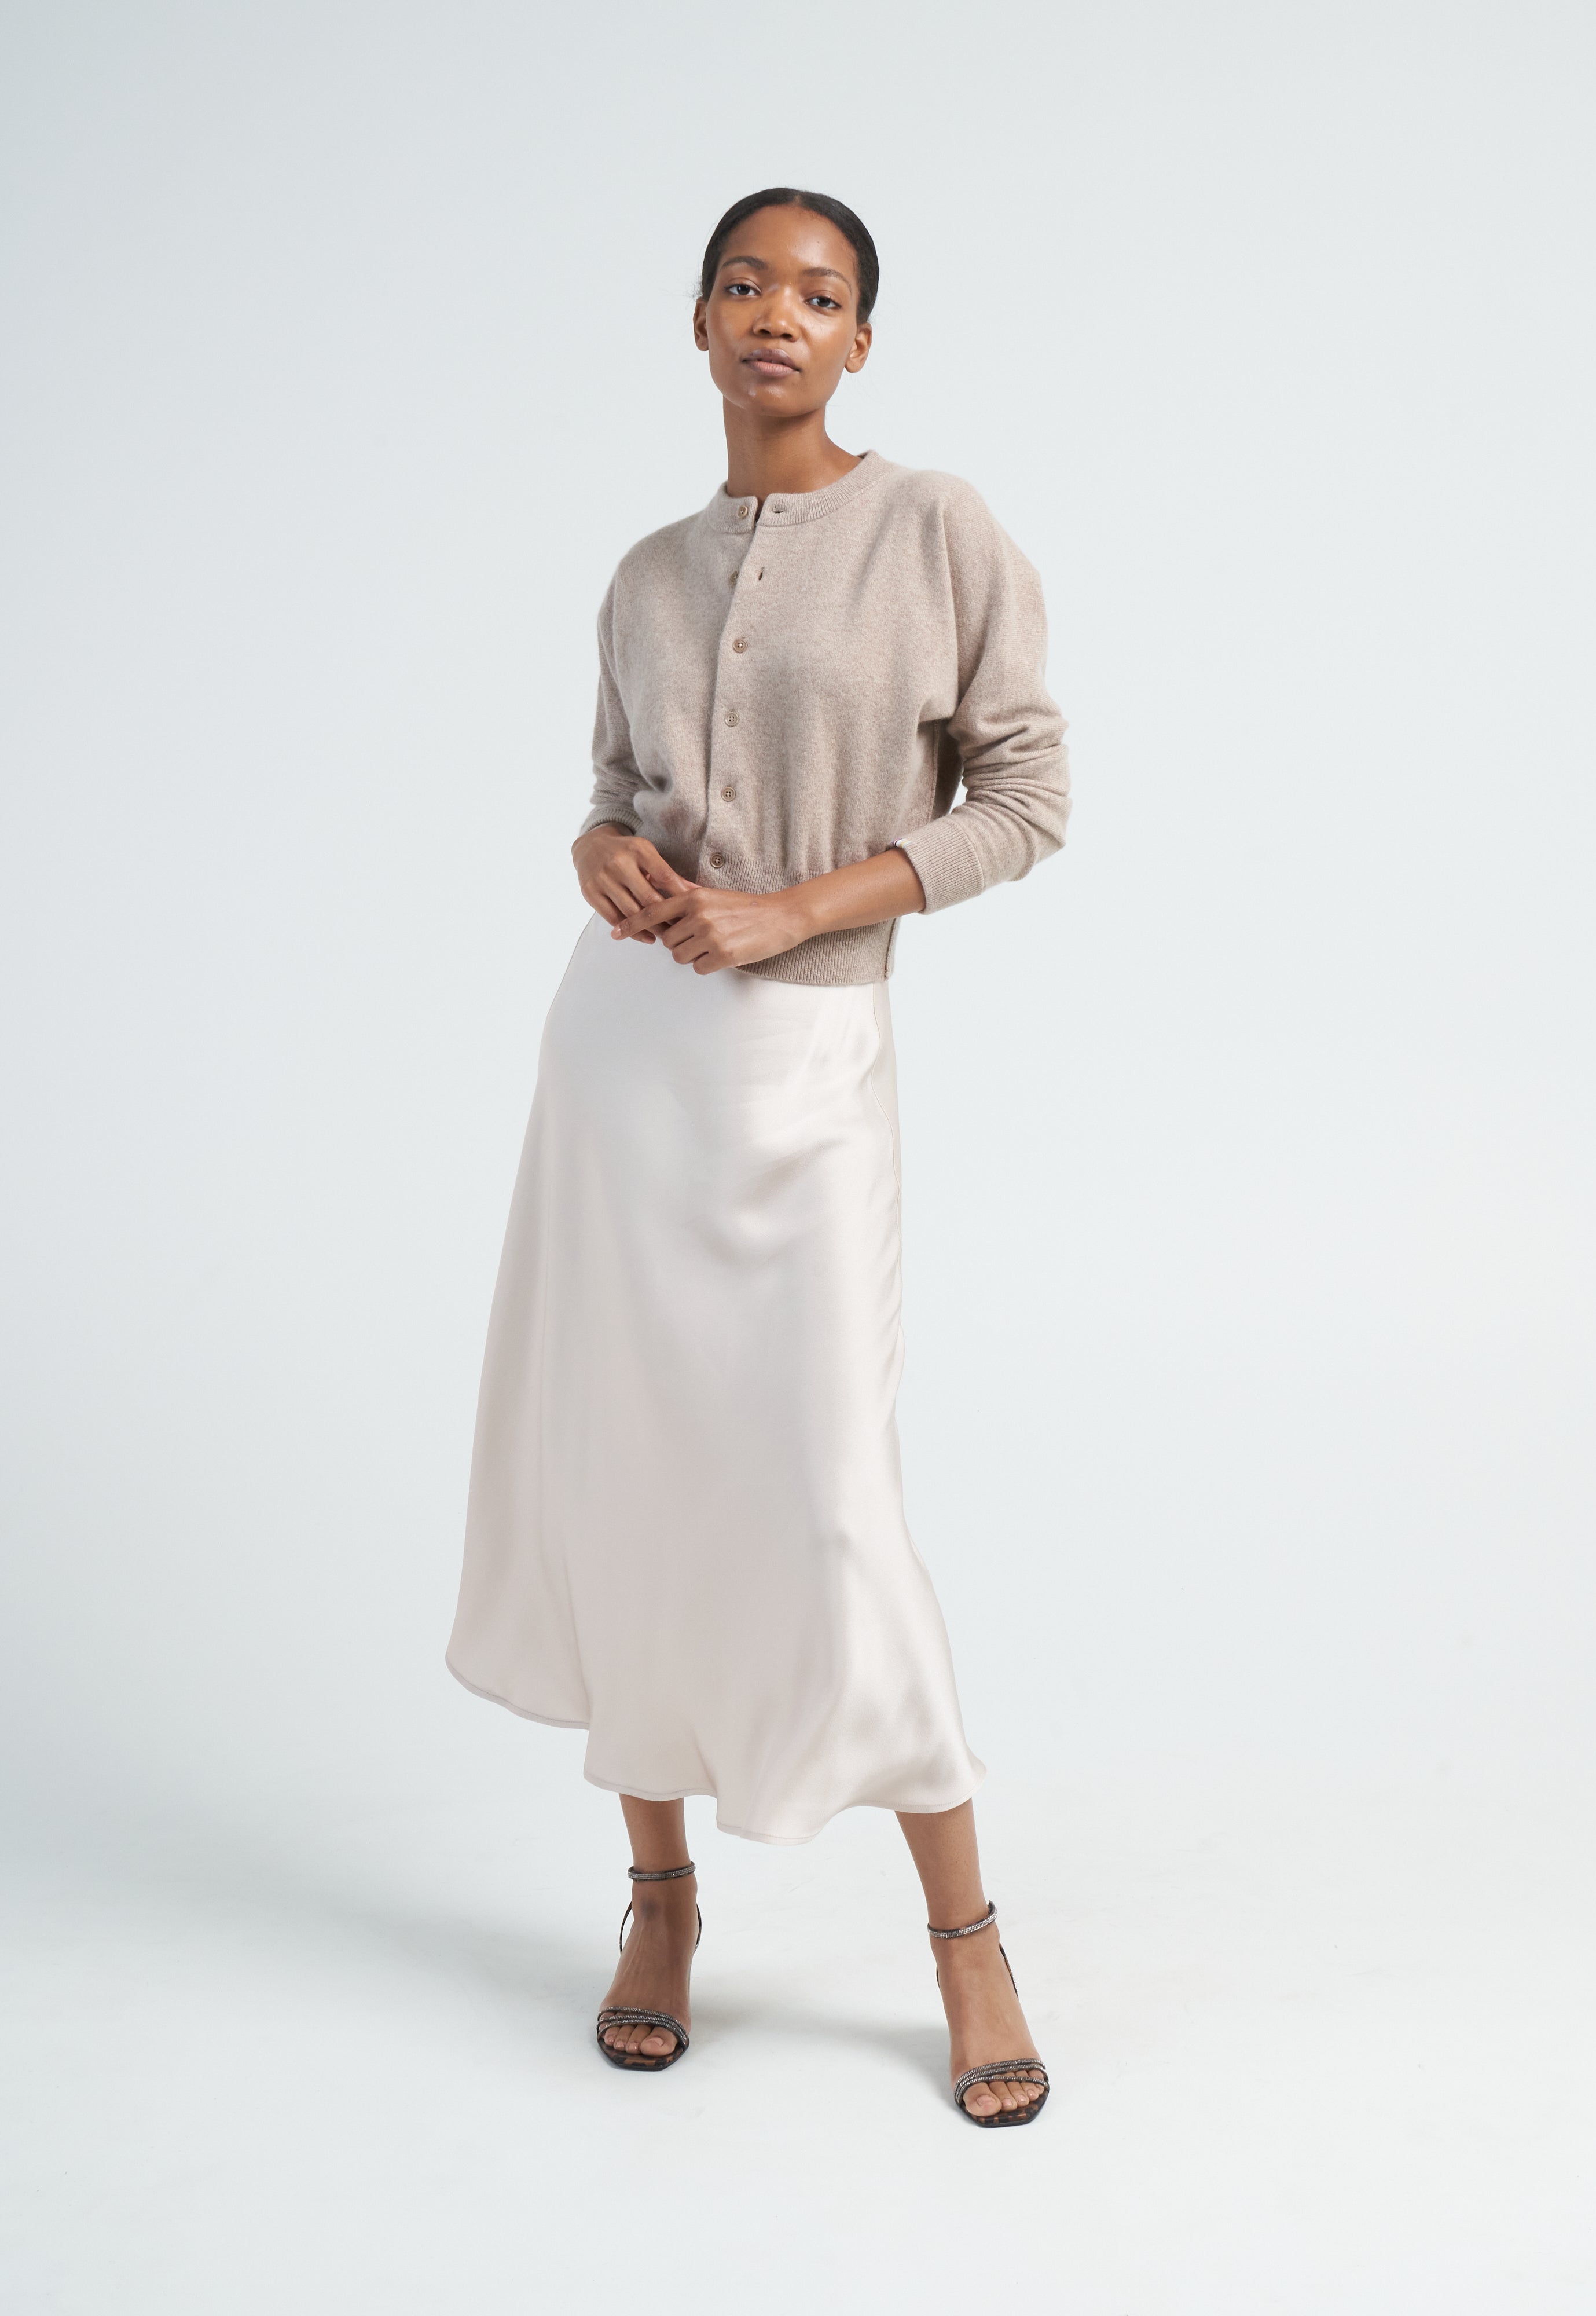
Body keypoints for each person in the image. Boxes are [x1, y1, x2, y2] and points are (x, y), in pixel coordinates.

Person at [446, 187, 1069, 2126]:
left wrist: (795, 908)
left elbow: (1027, 799)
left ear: (862, 339)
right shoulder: (645, 574)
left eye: (817, 292)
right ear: (700, 321)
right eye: (743, 284)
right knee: (626, 1471)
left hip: (805, 1067)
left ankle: (967, 1938)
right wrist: (598, 853)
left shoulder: (937, 528)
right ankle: (659, 1901)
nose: (775, 315)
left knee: (827, 1493)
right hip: (625, 1064)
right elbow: (617, 794)